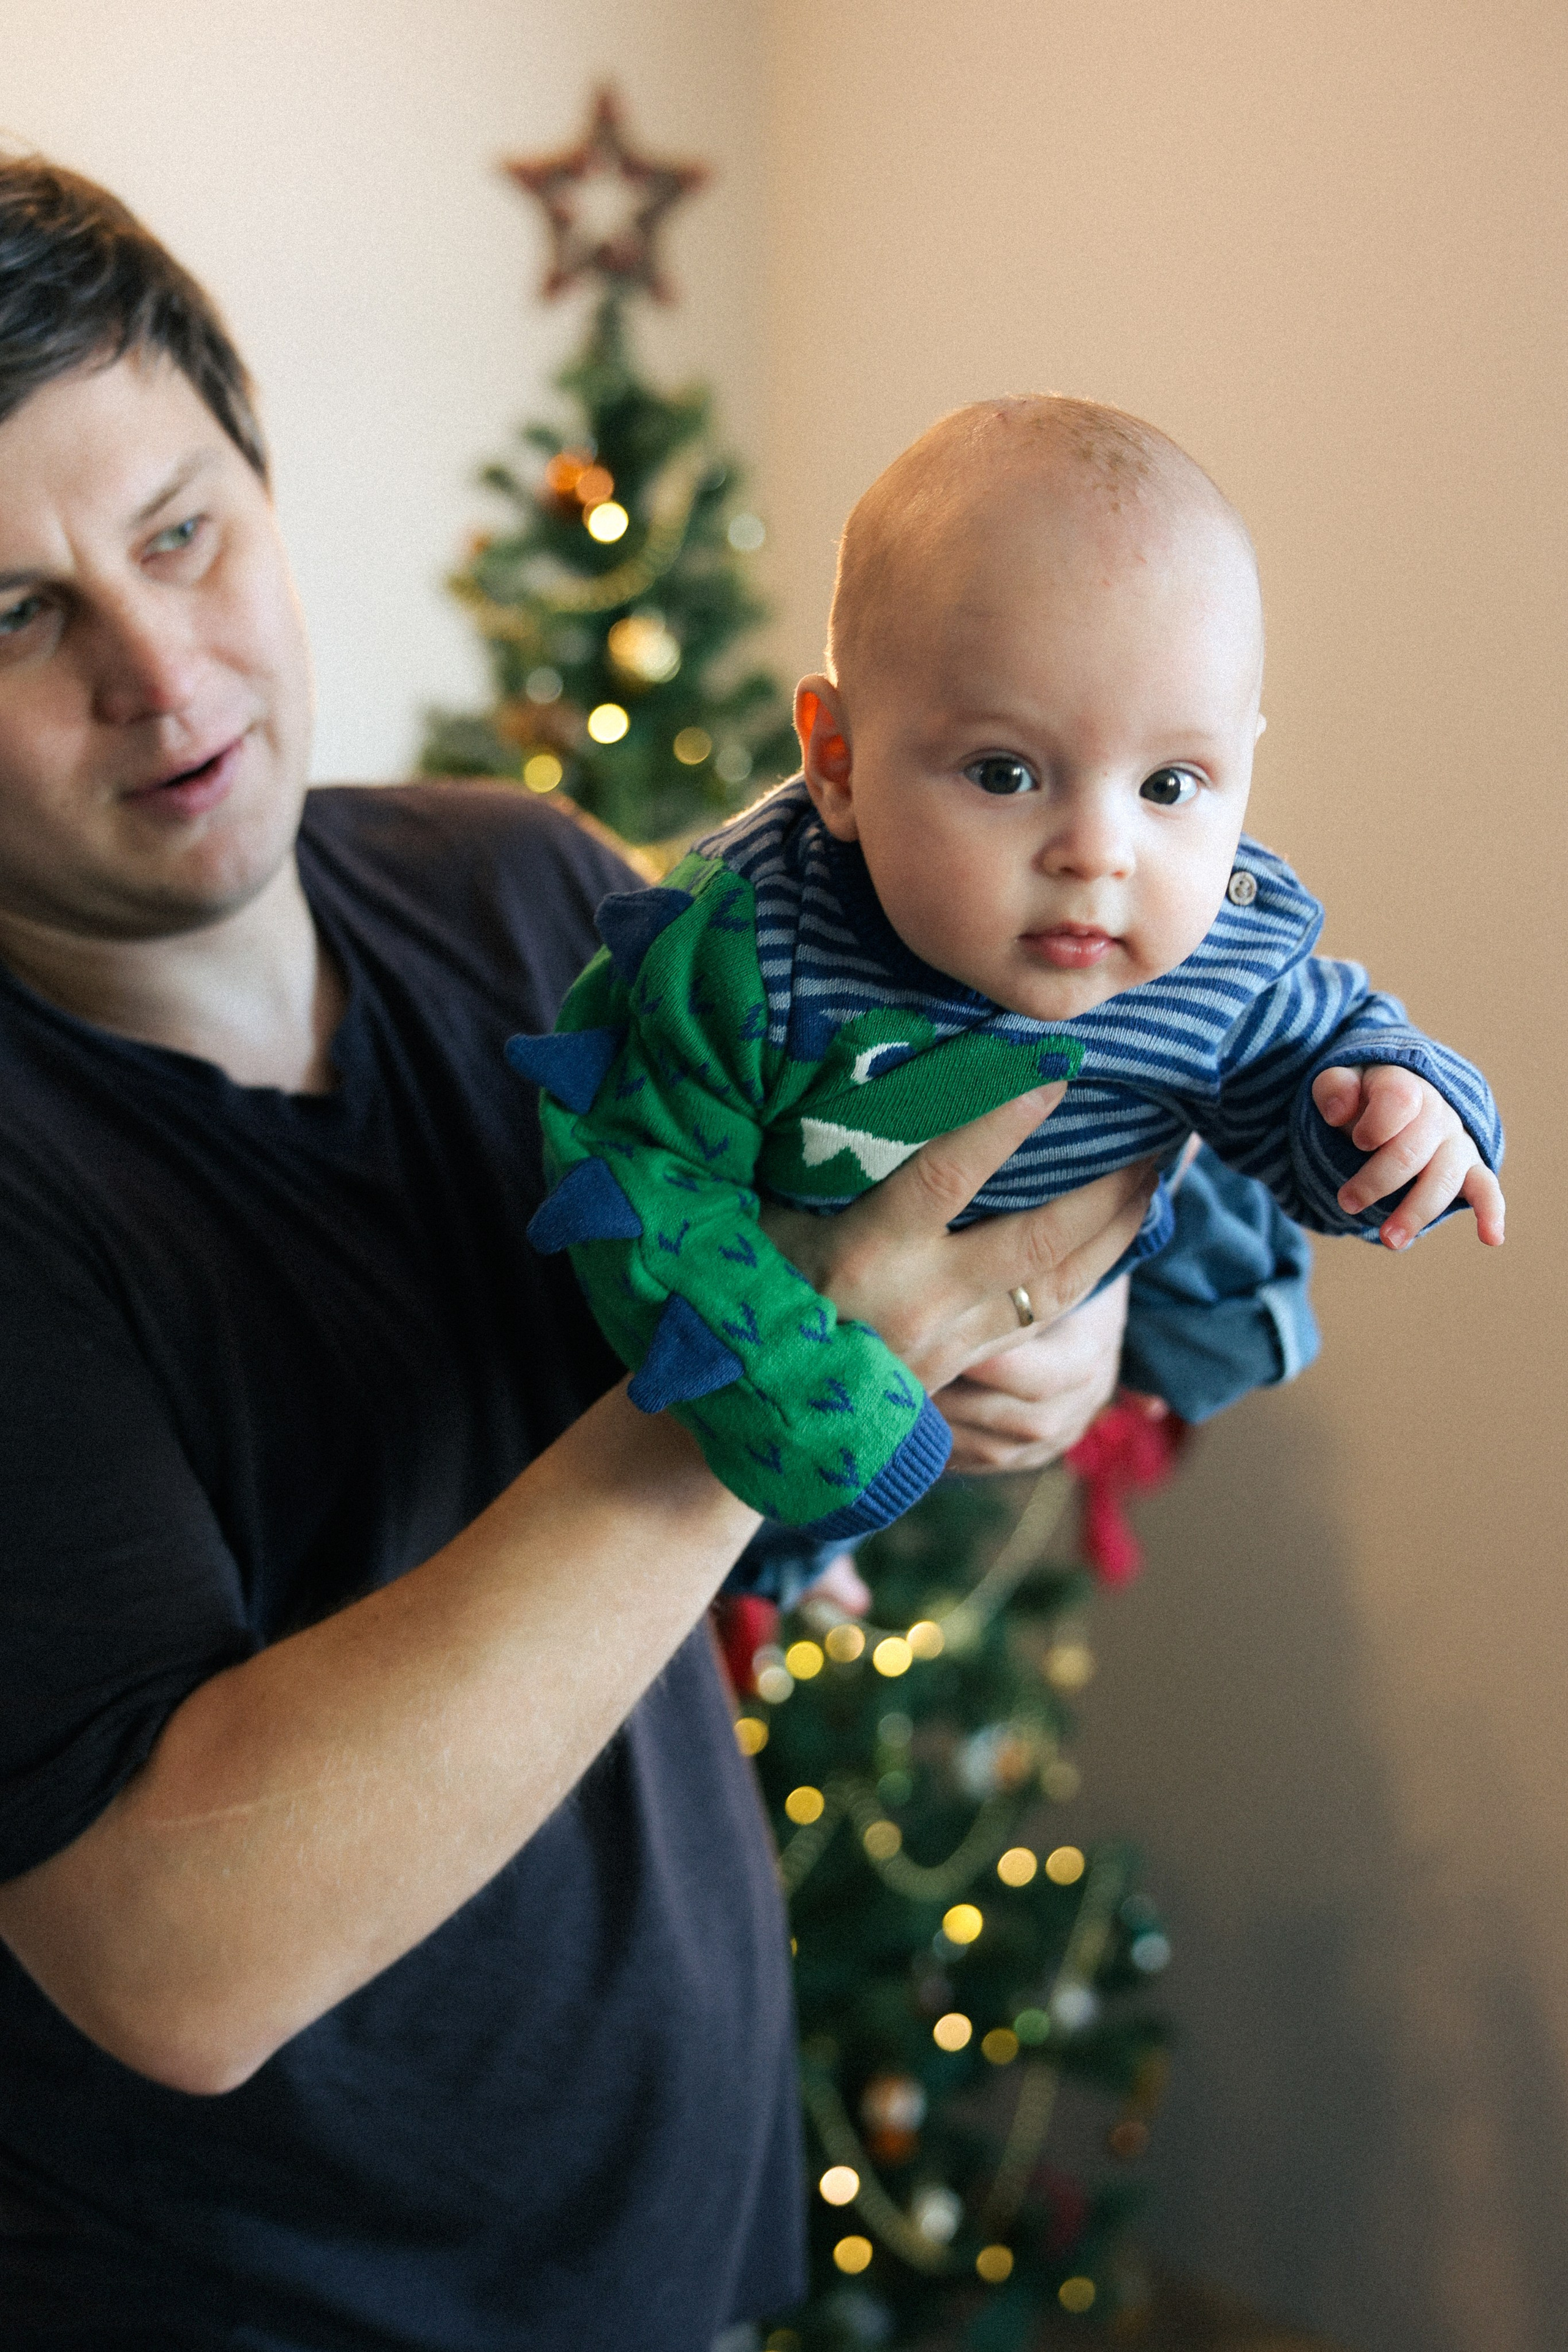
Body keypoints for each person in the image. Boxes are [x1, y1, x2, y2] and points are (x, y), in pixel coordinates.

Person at [0, 160, 1311, 2351]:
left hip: (675, 2254)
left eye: (180, 533)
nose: (157, 668)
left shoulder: (533, 894)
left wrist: (1053, 1332)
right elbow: (169, 1958)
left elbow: (949, 1191)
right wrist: (776, 1387)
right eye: (14, 615)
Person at [513, 397, 1504, 1533]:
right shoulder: (750, 952)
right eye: (1005, 773)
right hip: (796, 1320)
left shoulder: (1215, 948)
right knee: (697, 1400)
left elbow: (1326, 1048)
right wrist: (824, 1418)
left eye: (1170, 785)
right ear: (837, 762)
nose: (1098, 853)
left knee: (1240, 1262)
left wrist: (1398, 1120)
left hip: (1115, 1255)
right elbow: (647, 1185)